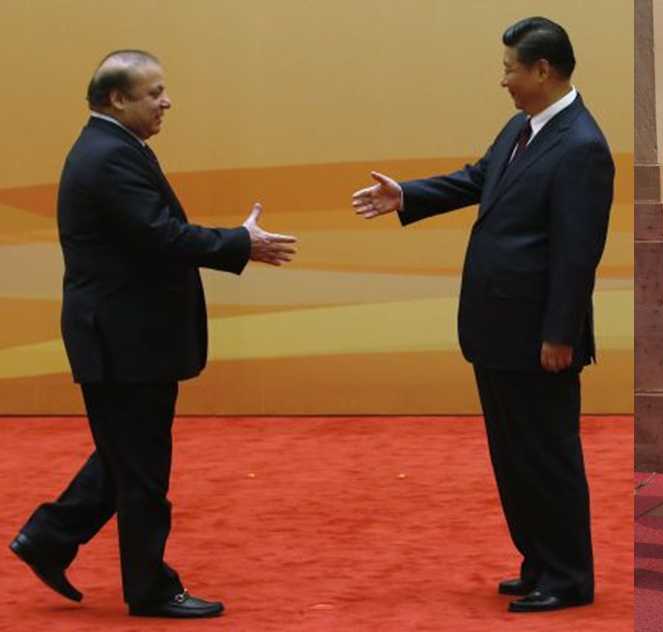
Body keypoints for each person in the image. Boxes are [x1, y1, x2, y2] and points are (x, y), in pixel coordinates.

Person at [9, 49, 297, 619]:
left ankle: (48, 538)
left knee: (126, 454)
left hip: (126, 338)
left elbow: (154, 235)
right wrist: (240, 243)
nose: (167, 102)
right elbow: (160, 236)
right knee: (141, 469)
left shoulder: (113, 148)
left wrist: (234, 242)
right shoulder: (108, 157)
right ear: (117, 99)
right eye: (154, 93)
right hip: (123, 341)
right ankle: (150, 589)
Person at [350, 17, 610, 613]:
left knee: (548, 457)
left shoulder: (582, 145)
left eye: (510, 69)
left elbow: (578, 253)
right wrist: (406, 195)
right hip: (498, 331)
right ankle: (538, 561)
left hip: (539, 338)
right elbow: (478, 178)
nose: (504, 80)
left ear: (542, 70)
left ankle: (568, 577)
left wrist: (559, 333)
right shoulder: (524, 126)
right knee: (515, 457)